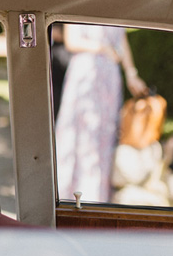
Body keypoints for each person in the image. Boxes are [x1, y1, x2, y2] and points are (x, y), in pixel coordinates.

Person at [55, 24, 148, 203]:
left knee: (104, 137)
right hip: (85, 73)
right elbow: (71, 41)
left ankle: (95, 196)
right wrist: (102, 48)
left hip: (109, 78)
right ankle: (68, 193)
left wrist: (131, 73)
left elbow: (122, 41)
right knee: (79, 133)